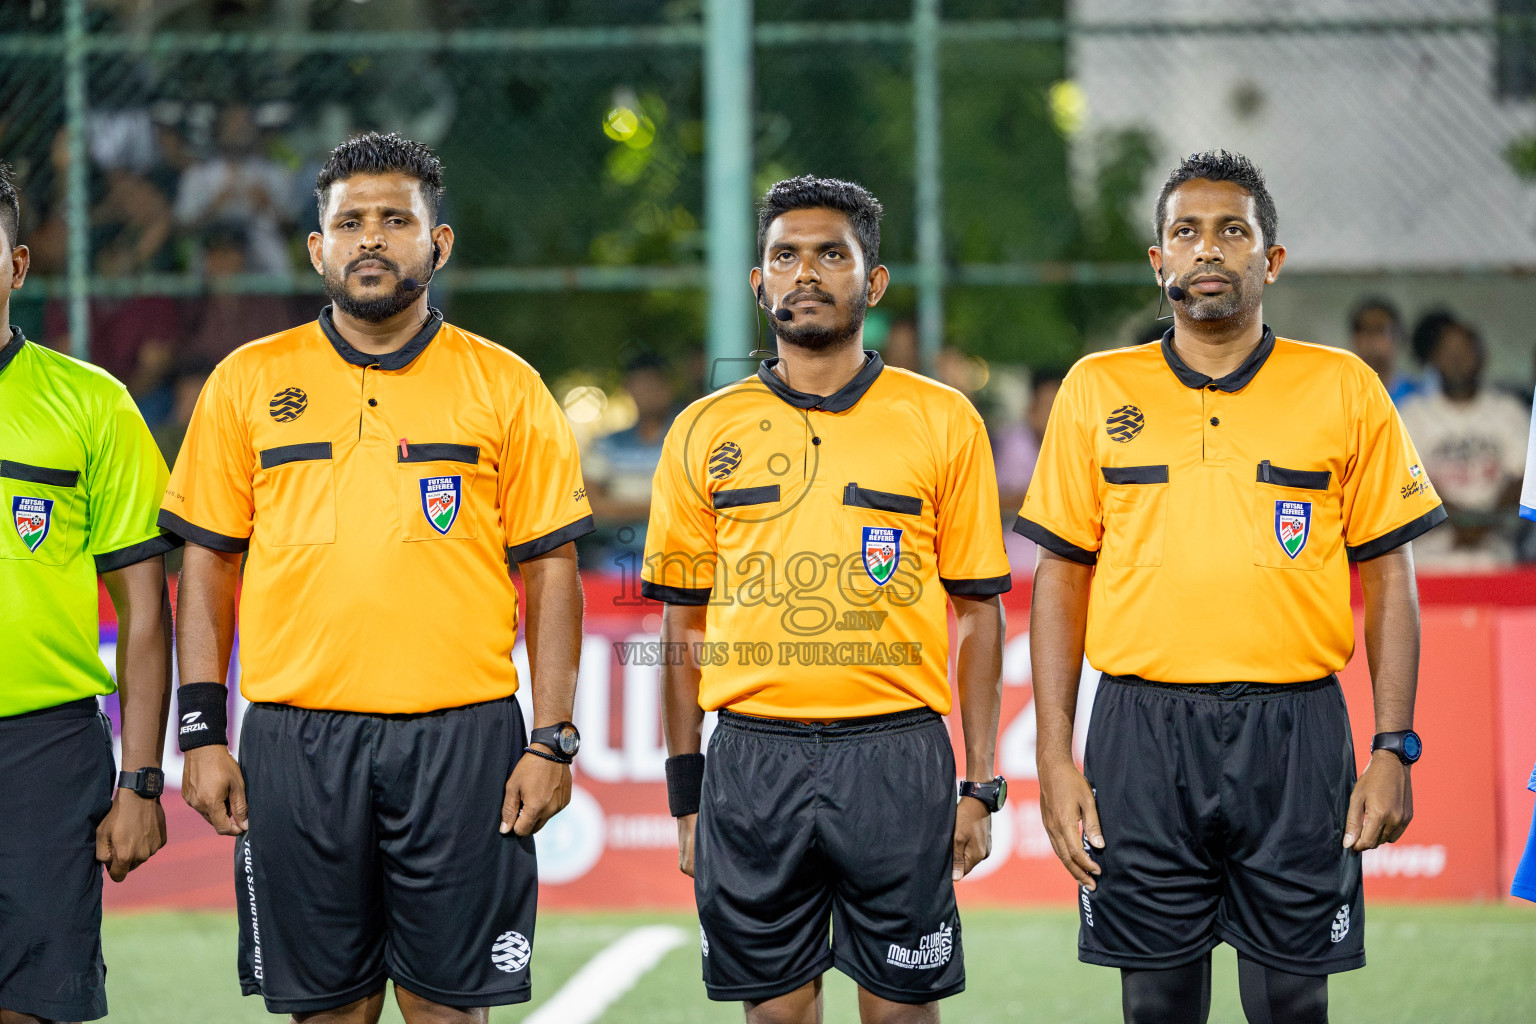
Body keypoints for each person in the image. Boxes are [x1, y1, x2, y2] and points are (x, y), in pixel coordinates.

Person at [159, 133, 594, 1023]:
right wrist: (201, 730)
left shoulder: (505, 386)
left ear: (437, 244)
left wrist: (552, 737)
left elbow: (551, 568)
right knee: (328, 1011)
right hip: (296, 741)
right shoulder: (247, 382)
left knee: (449, 1010)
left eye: (396, 220)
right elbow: (207, 562)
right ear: (317, 248)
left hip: (463, 742)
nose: (371, 238)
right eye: (349, 222)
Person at [1019, 151, 1446, 1024]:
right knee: (1158, 1004)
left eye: (1232, 231)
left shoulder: (1344, 387)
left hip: (1296, 730)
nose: (1207, 249)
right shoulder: (1097, 388)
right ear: (1159, 261)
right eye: (1186, 232)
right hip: (1140, 731)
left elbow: (1389, 579)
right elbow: (1061, 578)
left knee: (1291, 1003)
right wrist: (1054, 757)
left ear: (1270, 259)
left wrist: (1393, 746)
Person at [645, 176, 1010, 1024]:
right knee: (775, 1013)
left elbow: (980, 613)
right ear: (758, 281)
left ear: (871, 282)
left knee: (899, 1010)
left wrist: (981, 782)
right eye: (784, 255)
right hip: (751, 763)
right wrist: (687, 794)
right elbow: (681, 623)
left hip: (897, 758)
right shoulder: (702, 428)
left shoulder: (943, 420)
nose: (805, 272)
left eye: (830, 254)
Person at [0, 160, 178, 1023]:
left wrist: (142, 782)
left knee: (31, 1007)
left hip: (41, 753)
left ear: (19, 266)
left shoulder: (93, 405)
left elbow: (146, 608)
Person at [1398, 319, 1528, 569]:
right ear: (1433, 359)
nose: (1457, 359)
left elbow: (1522, 476)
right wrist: (1457, 520)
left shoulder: (1508, 412)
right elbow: (1406, 478)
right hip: (1429, 564)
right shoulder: (1412, 414)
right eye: (1448, 351)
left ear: (1482, 357)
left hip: (1498, 561)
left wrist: (1483, 523)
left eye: (1465, 350)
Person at [174, 103, 294, 276]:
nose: (239, 130)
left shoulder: (272, 173)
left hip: (262, 249)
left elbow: (291, 229)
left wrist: (268, 205)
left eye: (244, 124)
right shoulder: (199, 175)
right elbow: (181, 228)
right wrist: (214, 208)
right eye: (232, 124)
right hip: (214, 245)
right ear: (219, 130)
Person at [585, 351, 676, 566]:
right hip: (618, 556)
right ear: (628, 388)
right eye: (640, 385)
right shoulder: (608, 444)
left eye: (652, 385)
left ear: (668, 387)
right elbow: (591, 508)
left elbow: (700, 503)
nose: (646, 393)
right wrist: (661, 505)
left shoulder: (689, 437)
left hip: (678, 556)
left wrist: (619, 507)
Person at [994, 367, 1064, 577]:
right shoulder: (1008, 444)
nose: (1054, 416)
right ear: (1031, 410)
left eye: (1060, 407)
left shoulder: (1080, 446)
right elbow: (990, 501)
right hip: (1013, 554)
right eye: (1047, 407)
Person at [1348, 298, 1418, 404]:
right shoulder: (1341, 394)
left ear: (1397, 337)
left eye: (1380, 329)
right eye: (1365, 330)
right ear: (1355, 339)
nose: (1372, 338)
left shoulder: (1415, 395)